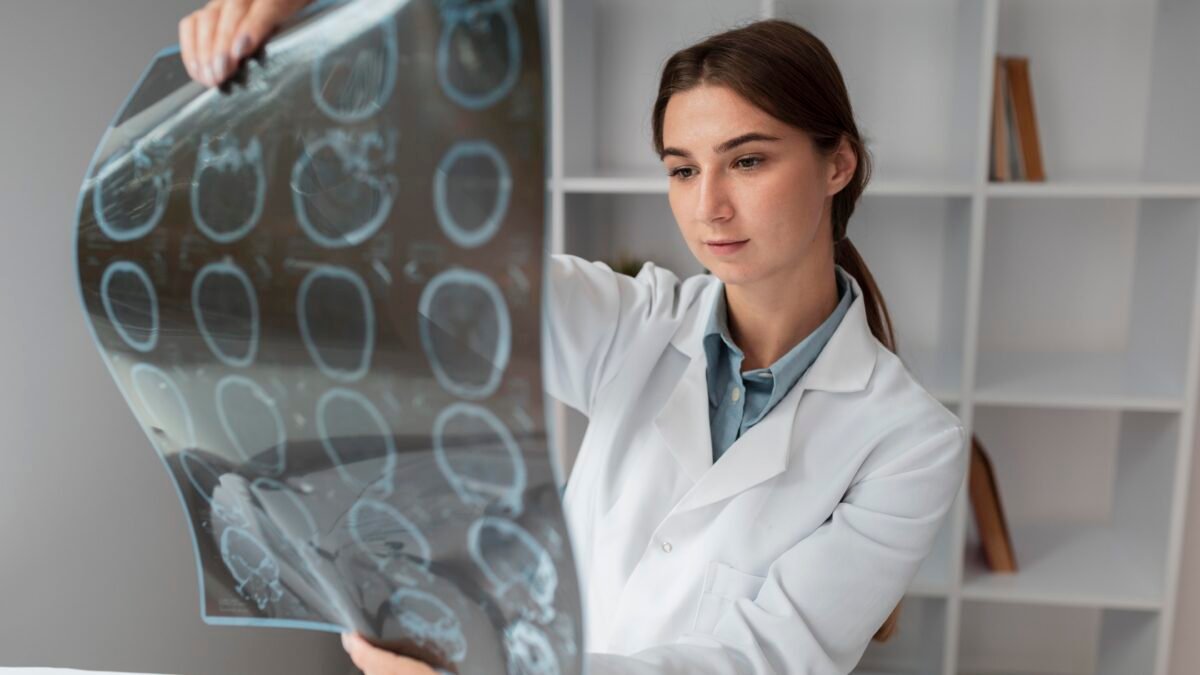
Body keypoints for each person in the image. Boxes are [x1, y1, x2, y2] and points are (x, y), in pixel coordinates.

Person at [179, 2, 968, 673]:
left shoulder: (910, 441)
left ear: (839, 164)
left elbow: (762, 658)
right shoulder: (636, 323)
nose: (709, 208)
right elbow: (402, 244)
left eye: (748, 160)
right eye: (683, 170)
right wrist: (302, 42)